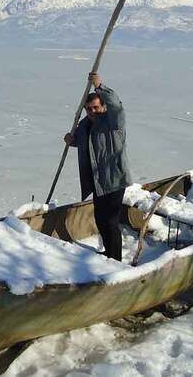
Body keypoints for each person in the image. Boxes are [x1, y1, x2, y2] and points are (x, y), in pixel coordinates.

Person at [64, 72, 132, 262]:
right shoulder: (85, 124)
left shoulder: (113, 122)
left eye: (95, 107)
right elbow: (85, 143)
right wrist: (72, 140)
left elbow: (117, 106)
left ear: (103, 106)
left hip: (115, 179)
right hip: (97, 180)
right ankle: (108, 252)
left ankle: (116, 260)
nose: (92, 112)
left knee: (110, 221)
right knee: (100, 219)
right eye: (88, 109)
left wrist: (100, 86)